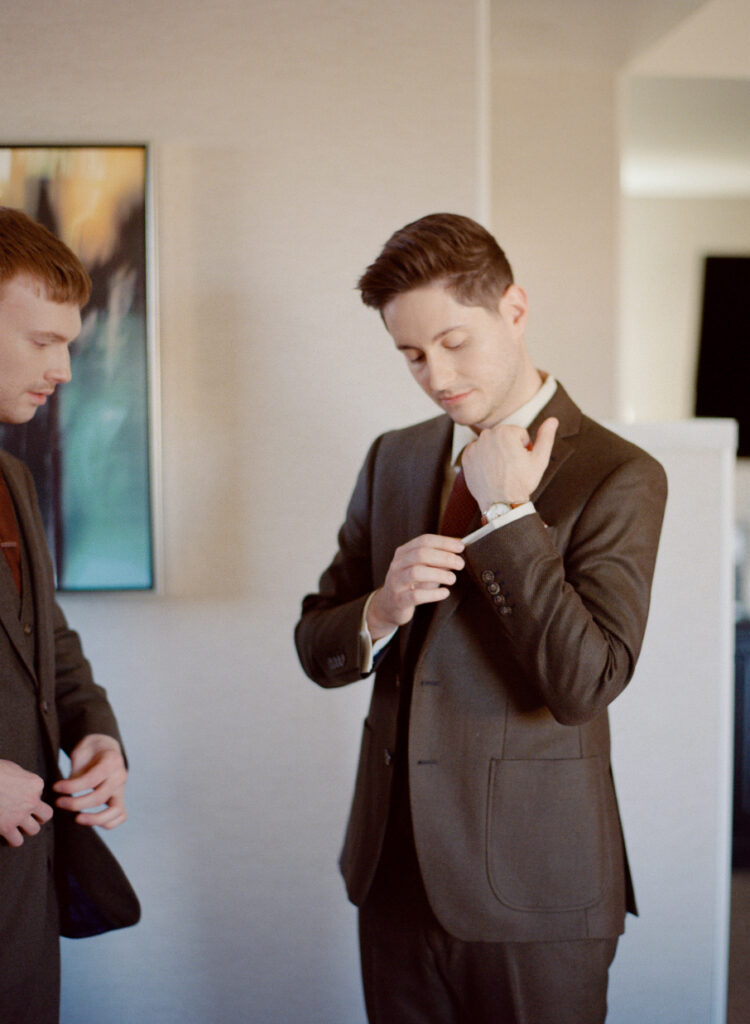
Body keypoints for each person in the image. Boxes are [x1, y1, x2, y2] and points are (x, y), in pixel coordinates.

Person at [295, 213, 667, 1024]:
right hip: (391, 873)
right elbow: (316, 640)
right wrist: (382, 608)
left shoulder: (620, 474)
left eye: (454, 342)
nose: (434, 374)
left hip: (536, 890)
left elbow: (585, 683)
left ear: (515, 309)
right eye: (411, 354)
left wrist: (507, 514)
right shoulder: (392, 457)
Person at [0, 206, 129, 1023]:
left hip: (20, 918)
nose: (66, 370)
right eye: (43, 341)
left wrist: (98, 731)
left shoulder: (10, 480)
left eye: (71, 345)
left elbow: (46, 640)